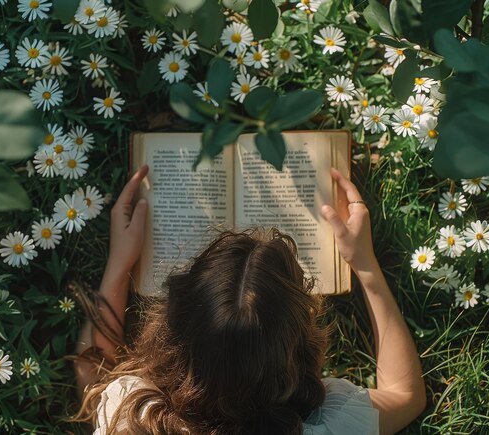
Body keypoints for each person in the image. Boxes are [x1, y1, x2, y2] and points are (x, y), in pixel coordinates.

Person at [73, 165, 426, 434]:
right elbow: (405, 394)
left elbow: (92, 374)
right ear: (295, 343)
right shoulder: (329, 425)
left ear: (174, 326)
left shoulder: (133, 416)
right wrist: (365, 265)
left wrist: (119, 264)